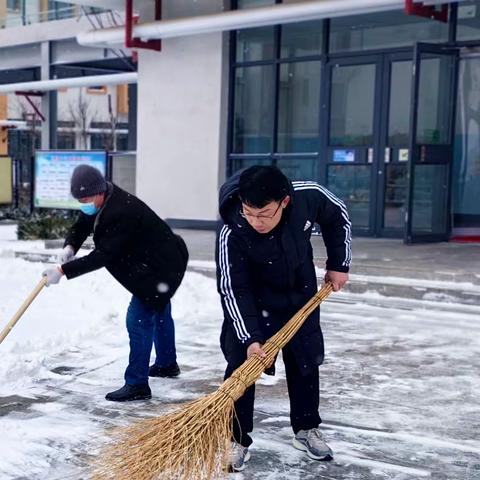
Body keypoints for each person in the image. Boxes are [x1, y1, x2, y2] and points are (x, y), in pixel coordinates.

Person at [215, 165, 351, 471]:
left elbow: (337, 215)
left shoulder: (306, 197)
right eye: (250, 213)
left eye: (264, 214)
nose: (255, 221)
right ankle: (237, 438)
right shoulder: (232, 229)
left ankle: (306, 429)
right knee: (241, 367)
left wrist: (339, 262)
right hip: (254, 300)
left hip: (299, 293)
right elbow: (232, 288)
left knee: (305, 361)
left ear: (284, 202)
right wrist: (250, 338)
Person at [42, 164, 188, 402]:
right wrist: (70, 246)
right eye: (80, 199)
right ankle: (166, 364)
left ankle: (137, 384)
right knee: (160, 310)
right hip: (162, 259)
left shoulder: (120, 211)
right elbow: (82, 223)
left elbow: (104, 255)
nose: (83, 204)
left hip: (160, 269)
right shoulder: (103, 199)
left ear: (99, 192)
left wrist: (63, 270)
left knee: (138, 320)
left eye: (86, 199)